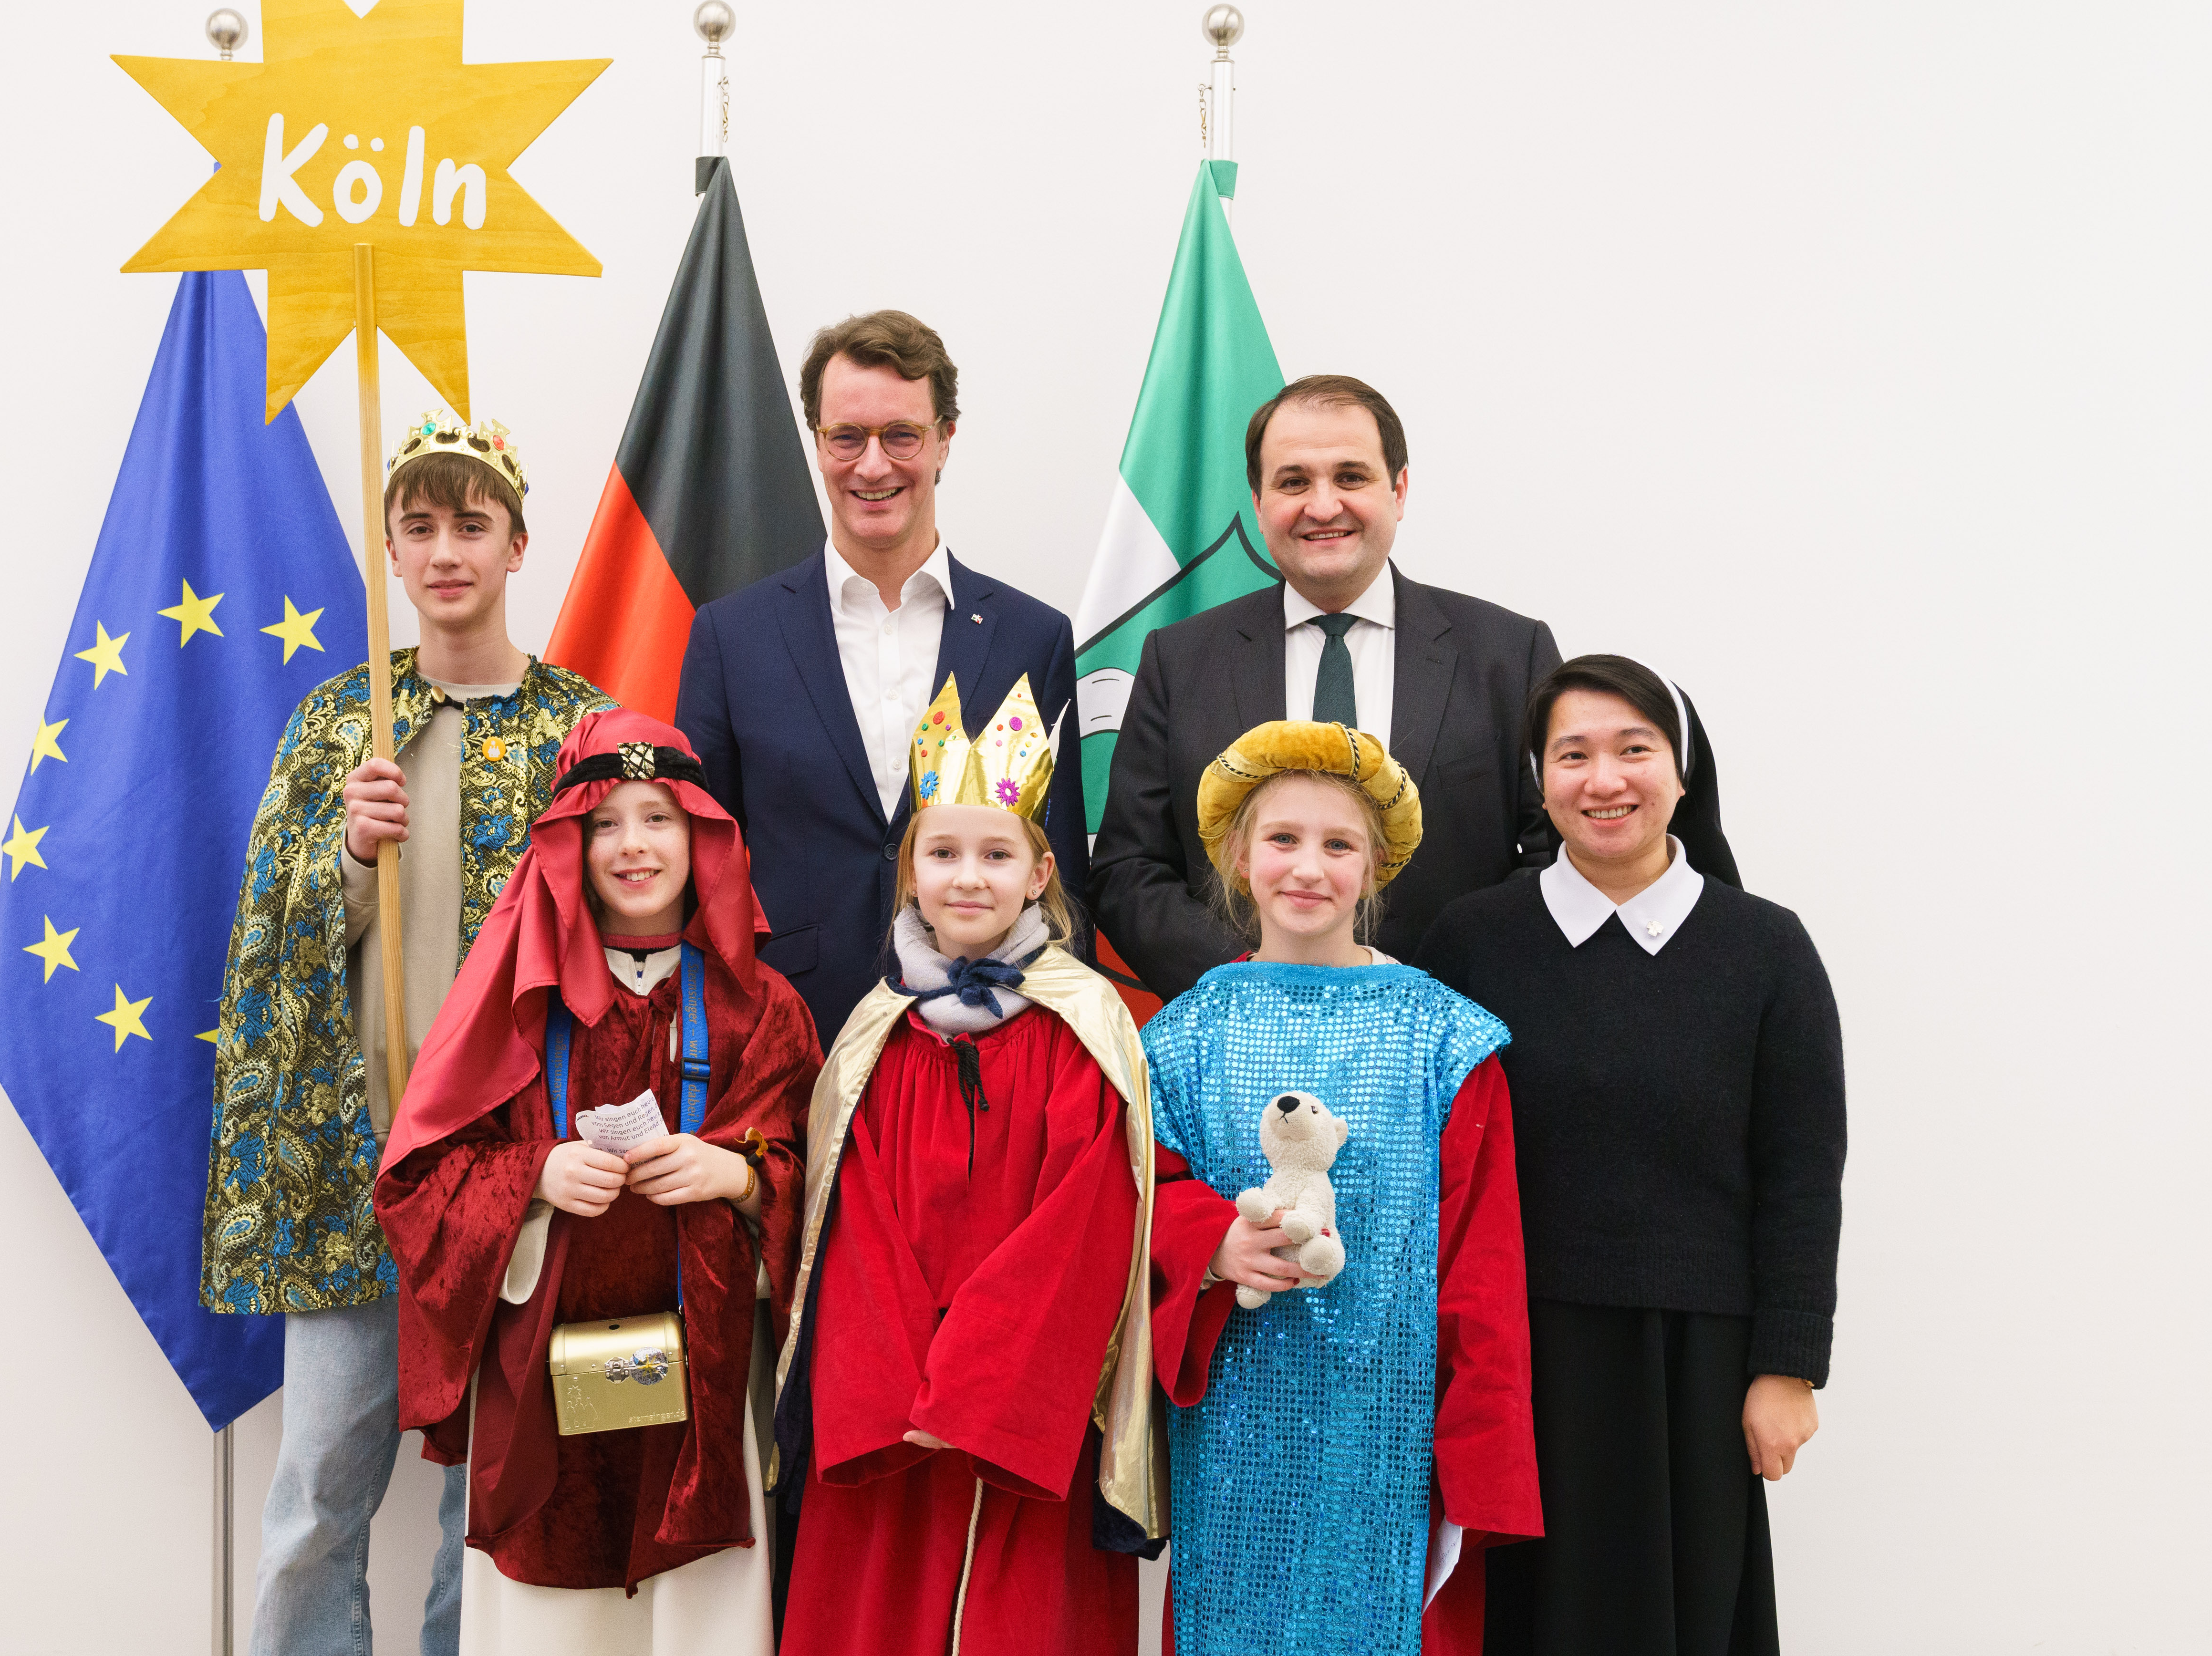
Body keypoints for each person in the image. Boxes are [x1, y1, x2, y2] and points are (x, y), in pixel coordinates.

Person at [202, 412, 610, 1656]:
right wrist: (344, 854)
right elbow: (264, 948)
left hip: (507, 1178)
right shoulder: (340, 723)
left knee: (489, 1496)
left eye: (470, 525)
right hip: (360, 1175)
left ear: (516, 545)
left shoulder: (581, 729)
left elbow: (623, 949)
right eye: (419, 526)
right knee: (317, 1492)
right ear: (390, 547)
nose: (445, 551)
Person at [1414, 655, 1845, 1656]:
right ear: (1540, 780)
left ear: (1683, 774)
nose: (1603, 779)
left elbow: (1801, 1175)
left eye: (1634, 749)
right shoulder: (1472, 939)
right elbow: (1423, 1158)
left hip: (1696, 1366)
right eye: (1573, 755)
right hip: (1512, 1356)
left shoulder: (1767, 949)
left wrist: (1788, 1368)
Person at [374, 708, 821, 1654]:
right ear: (569, 844)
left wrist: (739, 1177)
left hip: (705, 1391)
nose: (633, 845)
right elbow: (418, 1185)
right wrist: (532, 1174)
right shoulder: (513, 1005)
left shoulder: (760, 1006)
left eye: (658, 817)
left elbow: (824, 1197)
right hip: (543, 1391)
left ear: (701, 836)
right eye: (605, 822)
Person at [771, 674, 1165, 1656]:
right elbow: (846, 1222)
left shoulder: (1086, 1026)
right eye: (942, 853)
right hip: (889, 1408)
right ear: (910, 873)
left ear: (1039, 873)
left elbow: (1087, 1221)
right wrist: (901, 1379)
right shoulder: (875, 1031)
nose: (968, 878)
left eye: (997, 854)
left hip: (1025, 1404)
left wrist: (978, 1378)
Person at [1143, 720, 1542, 1656]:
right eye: (1283, 839)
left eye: (1338, 844)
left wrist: (1479, 1448)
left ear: (1375, 866)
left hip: (1392, 1424)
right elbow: (1142, 1191)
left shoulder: (1446, 1040)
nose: (1308, 868)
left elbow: (1482, 1259)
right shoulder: (1180, 1039)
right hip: (1235, 1423)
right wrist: (1210, 1244)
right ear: (1239, 856)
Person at [676, 310, 1092, 1046]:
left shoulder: (1034, 637)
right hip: (791, 1039)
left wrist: (1064, 1046)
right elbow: (697, 867)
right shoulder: (730, 637)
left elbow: (1062, 882)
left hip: (988, 1044)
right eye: (847, 437)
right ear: (817, 443)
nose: (873, 466)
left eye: (901, 435)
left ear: (944, 441)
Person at [1091, 373, 1568, 1001]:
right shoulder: (1179, 661)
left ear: (1398, 490)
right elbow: (1128, 869)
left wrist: (1434, 1000)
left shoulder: (1510, 654)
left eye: (1351, 477)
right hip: (1245, 1031)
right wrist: (1251, 982)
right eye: (1293, 482)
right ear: (1258, 503)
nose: (1322, 506)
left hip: (1454, 1028)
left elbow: (1557, 857)